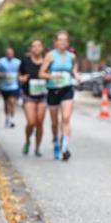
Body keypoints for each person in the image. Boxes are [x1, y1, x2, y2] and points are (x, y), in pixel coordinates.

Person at [39, 30, 79, 161]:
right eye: (60, 40)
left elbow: (73, 69)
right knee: (55, 122)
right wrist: (52, 76)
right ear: (55, 42)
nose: (62, 42)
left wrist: (76, 75)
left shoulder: (72, 56)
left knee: (66, 118)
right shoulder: (50, 55)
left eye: (65, 40)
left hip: (67, 89)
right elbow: (41, 73)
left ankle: (65, 147)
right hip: (53, 90)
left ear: (68, 42)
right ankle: (55, 141)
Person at [18, 39, 47, 156]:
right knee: (31, 122)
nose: (36, 48)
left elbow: (50, 73)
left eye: (38, 46)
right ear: (30, 49)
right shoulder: (25, 61)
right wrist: (21, 79)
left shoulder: (46, 61)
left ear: (42, 48)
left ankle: (37, 147)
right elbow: (19, 75)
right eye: (33, 46)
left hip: (42, 95)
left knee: (39, 122)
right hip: (28, 95)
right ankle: (27, 141)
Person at [0, 47, 22, 128]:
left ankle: (12, 119)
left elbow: (21, 71)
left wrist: (19, 76)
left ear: (13, 54)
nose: (10, 54)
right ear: (5, 54)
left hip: (14, 85)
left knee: (12, 101)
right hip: (4, 86)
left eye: (11, 53)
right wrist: (1, 74)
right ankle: (7, 117)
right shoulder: (1, 61)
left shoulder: (18, 62)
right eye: (8, 53)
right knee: (6, 103)